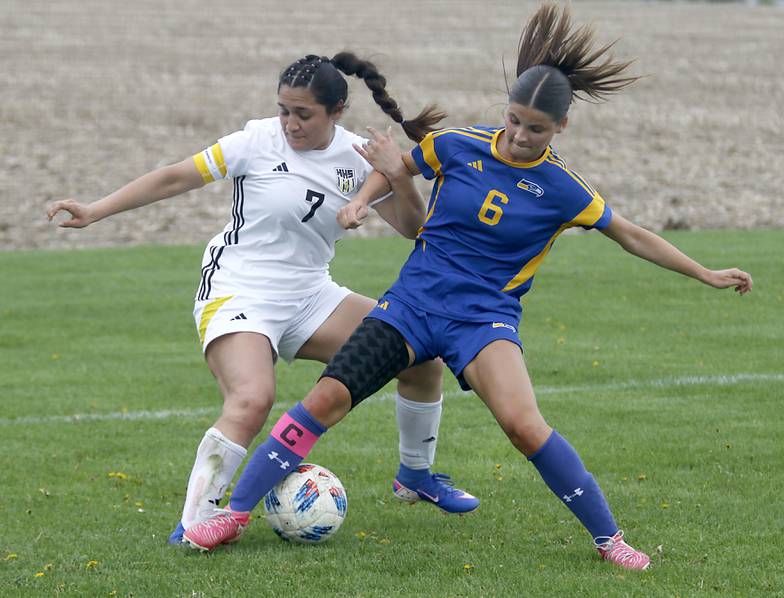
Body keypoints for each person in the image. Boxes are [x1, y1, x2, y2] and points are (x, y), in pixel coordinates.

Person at [182, 4, 753, 569]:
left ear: (561, 128)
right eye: (514, 120)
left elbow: (630, 235)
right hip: (409, 307)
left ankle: (610, 540)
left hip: (484, 320)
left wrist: (704, 271)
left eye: (537, 128)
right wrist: (359, 200)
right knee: (325, 398)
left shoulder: (563, 189)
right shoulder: (458, 144)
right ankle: (233, 514)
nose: (520, 135)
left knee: (524, 426)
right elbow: (398, 168)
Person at [45, 52, 482, 546]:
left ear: (336, 111)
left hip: (310, 293)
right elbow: (174, 177)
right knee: (253, 399)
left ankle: (416, 476)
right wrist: (94, 211)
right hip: (239, 287)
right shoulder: (255, 140)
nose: (290, 124)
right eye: (284, 111)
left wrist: (397, 177)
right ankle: (194, 523)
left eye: (303, 114)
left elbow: (412, 228)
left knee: (418, 350)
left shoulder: (357, 157)